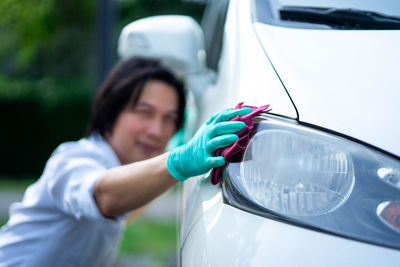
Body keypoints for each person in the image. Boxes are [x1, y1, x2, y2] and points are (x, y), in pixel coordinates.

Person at [0, 57, 252, 267]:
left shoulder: (120, 170)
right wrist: (178, 162)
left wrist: (169, 170)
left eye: (169, 119)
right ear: (111, 111)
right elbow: (104, 196)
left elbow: (127, 209)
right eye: (145, 112)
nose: (157, 131)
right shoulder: (73, 159)